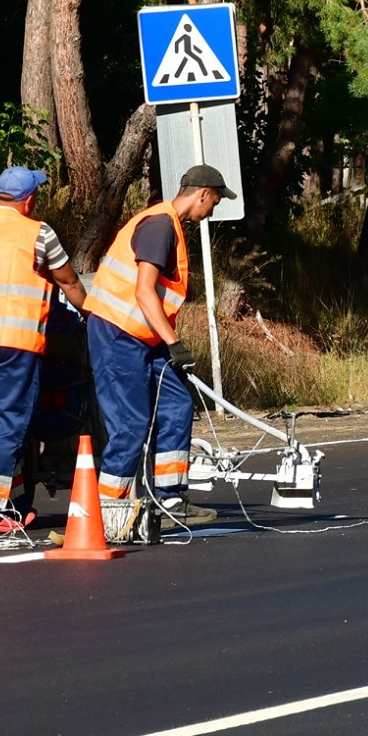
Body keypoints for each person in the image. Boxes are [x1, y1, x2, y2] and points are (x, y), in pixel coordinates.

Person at [79, 164, 234, 541]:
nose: (212, 210)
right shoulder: (160, 225)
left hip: (143, 339)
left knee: (177, 404)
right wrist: (174, 343)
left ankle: (171, 497)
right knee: (130, 424)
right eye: (214, 201)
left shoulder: (170, 226)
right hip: (118, 336)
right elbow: (144, 292)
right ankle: (108, 512)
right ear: (202, 194)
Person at [0, 167, 89, 528]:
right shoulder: (38, 232)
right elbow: (68, 280)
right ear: (29, 200)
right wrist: (93, 315)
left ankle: (11, 503)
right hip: (17, 341)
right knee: (9, 424)